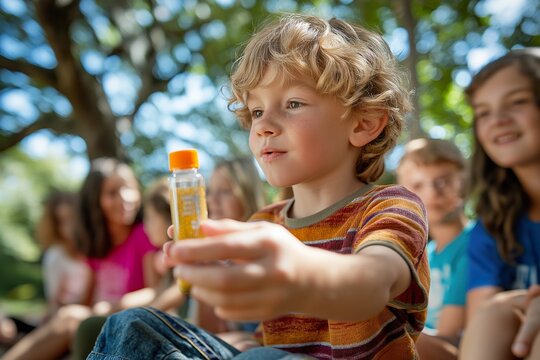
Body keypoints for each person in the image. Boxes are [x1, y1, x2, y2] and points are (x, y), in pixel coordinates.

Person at [88, 13, 429, 359]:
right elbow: (259, 331)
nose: (264, 125)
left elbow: (373, 282)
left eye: (293, 103)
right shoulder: (265, 222)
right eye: (256, 111)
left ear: (364, 123)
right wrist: (214, 281)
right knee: (131, 326)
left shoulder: (391, 206)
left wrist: (301, 275)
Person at [2, 157, 158, 360]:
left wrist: (114, 306)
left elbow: (156, 291)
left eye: (130, 188)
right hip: (97, 323)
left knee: (70, 318)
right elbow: (87, 300)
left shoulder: (143, 235)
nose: (125, 198)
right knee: (67, 317)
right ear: (95, 200)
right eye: (112, 193)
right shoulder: (98, 245)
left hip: (130, 321)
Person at [458, 49, 540, 359]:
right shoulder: (493, 223)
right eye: (483, 112)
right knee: (494, 315)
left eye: (517, 102)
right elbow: (483, 314)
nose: (499, 121)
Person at [397, 138, 472, 359]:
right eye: (418, 185)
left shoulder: (475, 244)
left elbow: (450, 339)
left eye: (443, 181)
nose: (431, 194)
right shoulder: (424, 254)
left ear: (463, 182)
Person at [37, 191, 91, 319]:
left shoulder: (93, 250)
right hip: (67, 316)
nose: (69, 227)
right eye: (62, 221)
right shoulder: (56, 255)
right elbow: (54, 300)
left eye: (73, 219)